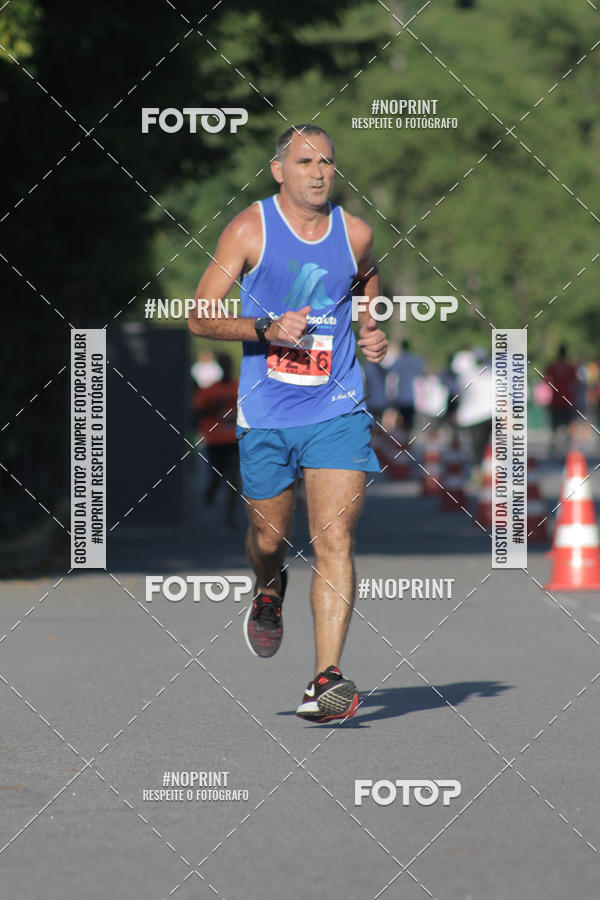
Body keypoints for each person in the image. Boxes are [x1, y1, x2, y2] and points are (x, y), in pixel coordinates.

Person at [188, 124, 387, 722]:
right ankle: (268, 586)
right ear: (280, 171)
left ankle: (326, 678)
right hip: (268, 413)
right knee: (270, 539)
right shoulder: (251, 228)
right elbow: (201, 315)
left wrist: (371, 326)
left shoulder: (354, 232)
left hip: (337, 408)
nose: (318, 172)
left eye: (327, 161)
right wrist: (266, 329)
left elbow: (368, 279)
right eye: (304, 161)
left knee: (334, 541)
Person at [193, 353, 239, 529]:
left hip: (234, 439)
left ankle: (230, 516)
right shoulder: (210, 390)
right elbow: (197, 412)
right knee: (218, 478)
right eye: (224, 364)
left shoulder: (240, 386)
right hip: (215, 440)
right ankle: (211, 492)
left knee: (233, 476)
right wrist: (215, 406)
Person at [386, 339, 424, 437]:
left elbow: (391, 374)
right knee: (408, 423)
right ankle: (407, 441)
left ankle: (403, 440)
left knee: (401, 422)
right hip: (411, 396)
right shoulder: (414, 360)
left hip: (401, 395)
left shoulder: (399, 360)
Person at [545, 344, 577, 456]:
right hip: (567, 400)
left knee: (554, 426)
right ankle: (567, 449)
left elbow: (546, 381)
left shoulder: (552, 367)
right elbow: (575, 384)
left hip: (556, 400)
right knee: (568, 425)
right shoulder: (571, 367)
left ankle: (553, 447)